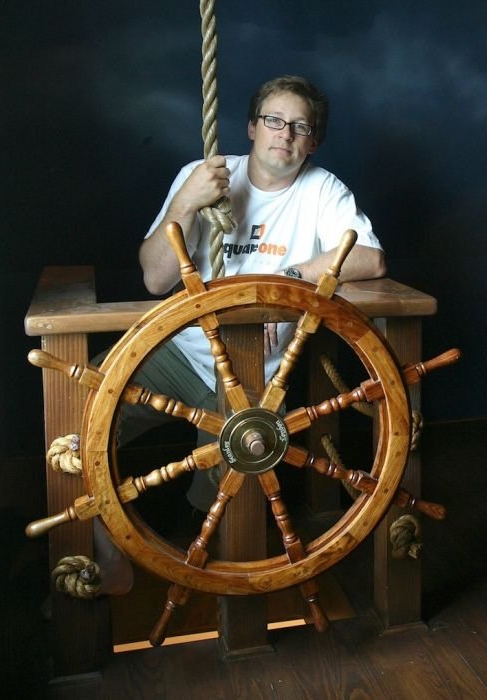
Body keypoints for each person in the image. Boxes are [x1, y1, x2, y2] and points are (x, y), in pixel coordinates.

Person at [121, 74, 386, 513]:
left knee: (233, 493)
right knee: (75, 425)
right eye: (274, 120)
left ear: (313, 142)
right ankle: (104, 550)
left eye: (300, 127)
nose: (285, 134)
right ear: (252, 128)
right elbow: (154, 279)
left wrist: (286, 282)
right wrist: (186, 205)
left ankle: (223, 574)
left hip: (252, 372)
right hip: (180, 351)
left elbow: (371, 259)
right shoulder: (201, 176)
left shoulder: (322, 189)